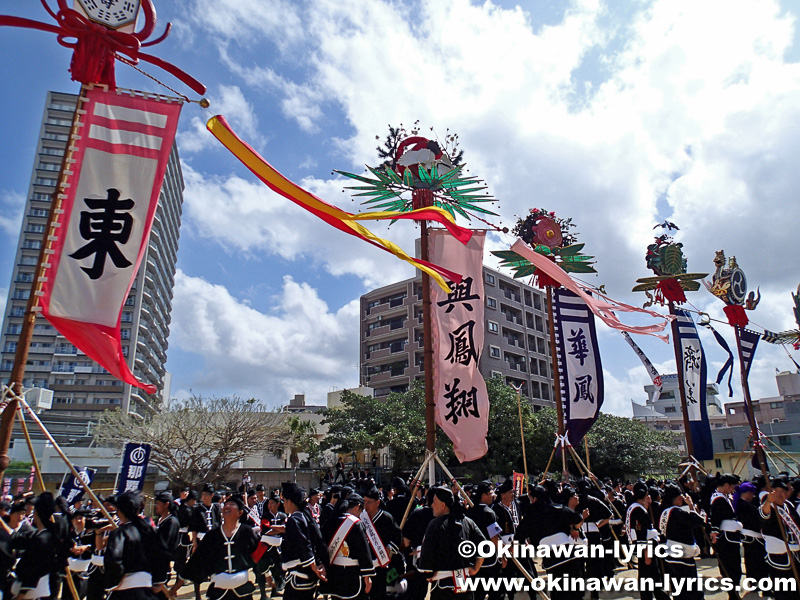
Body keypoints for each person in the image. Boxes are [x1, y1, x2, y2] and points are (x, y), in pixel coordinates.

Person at [182, 495, 260, 600]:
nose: (227, 506)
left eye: (231, 504)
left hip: (242, 590)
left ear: (240, 513)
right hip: (218, 592)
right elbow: (197, 560)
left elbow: (259, 555)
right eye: (226, 504)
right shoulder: (212, 535)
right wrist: (176, 586)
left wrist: (267, 575)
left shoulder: (247, 532)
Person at [417, 487, 485, 600]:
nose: (432, 505)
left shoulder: (435, 525)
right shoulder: (467, 522)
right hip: (464, 584)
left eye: (434, 502)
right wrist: (476, 567)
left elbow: (427, 556)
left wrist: (428, 574)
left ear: (443, 505)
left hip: (443, 587)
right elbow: (484, 545)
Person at [104, 491, 167, 600]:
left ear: (120, 511)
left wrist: (114, 582)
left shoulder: (120, 532)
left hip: (125, 589)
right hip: (147, 588)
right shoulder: (151, 531)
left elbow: (114, 559)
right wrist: (159, 580)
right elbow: (162, 555)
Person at [321, 493, 374, 600]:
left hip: (333, 573)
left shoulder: (332, 520)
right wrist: (367, 576)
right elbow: (363, 551)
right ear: (357, 507)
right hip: (351, 575)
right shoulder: (356, 524)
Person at [279, 482, 327, 600]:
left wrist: (313, 566)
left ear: (289, 501)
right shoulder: (305, 516)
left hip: (298, 577)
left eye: (284, 501)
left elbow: (304, 544)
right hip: (307, 576)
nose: (283, 505)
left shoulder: (293, 520)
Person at [10, 492, 60, 600]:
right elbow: (17, 539)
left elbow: (35, 569)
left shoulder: (43, 539)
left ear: (37, 514)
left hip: (34, 591)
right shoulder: (39, 534)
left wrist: (22, 594)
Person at [658, 484, 704, 600]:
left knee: (678, 589)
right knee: (691, 589)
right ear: (677, 498)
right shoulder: (676, 512)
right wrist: (691, 506)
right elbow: (697, 522)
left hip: (670, 552)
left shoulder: (663, 511)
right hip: (683, 555)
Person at [625, 482, 669, 600]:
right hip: (646, 548)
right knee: (651, 580)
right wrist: (647, 553)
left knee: (648, 580)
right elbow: (643, 533)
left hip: (643, 548)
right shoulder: (638, 510)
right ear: (646, 494)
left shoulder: (633, 507)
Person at [759, 477, 800, 600]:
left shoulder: (788, 505)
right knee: (783, 590)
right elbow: (763, 515)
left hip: (795, 553)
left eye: (783, 491)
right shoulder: (768, 506)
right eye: (777, 491)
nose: (781, 494)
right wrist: (768, 501)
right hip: (780, 556)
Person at [362, 487, 402, 600]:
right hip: (364, 565)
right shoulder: (361, 518)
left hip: (380, 565)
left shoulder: (386, 518)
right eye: (364, 502)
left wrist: (389, 548)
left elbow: (397, 536)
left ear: (378, 502)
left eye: (369, 502)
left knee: (378, 593)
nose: (366, 505)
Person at [709, 474, 743, 600]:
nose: (733, 489)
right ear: (726, 485)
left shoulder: (725, 497)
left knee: (734, 566)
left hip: (731, 537)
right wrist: (715, 532)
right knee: (730, 566)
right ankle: (733, 594)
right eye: (732, 486)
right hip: (726, 539)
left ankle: (734, 592)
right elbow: (716, 519)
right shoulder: (718, 499)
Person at [734, 481, 769, 583]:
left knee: (750, 561)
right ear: (747, 493)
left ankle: (752, 582)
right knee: (759, 561)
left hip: (748, 536)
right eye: (752, 493)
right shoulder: (744, 505)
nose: (753, 495)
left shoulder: (741, 503)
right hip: (753, 536)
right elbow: (754, 520)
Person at [153, 492, 181, 598]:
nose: (156, 506)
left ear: (166, 504)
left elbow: (166, 545)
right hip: (154, 563)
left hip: (162, 565)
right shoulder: (159, 521)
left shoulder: (171, 522)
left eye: (158, 503)